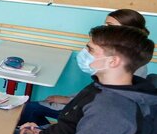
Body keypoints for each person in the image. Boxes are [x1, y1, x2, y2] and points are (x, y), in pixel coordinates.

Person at [0, 25, 157, 134]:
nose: (84, 53)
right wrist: (40, 132)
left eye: (90, 49)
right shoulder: (103, 86)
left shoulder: (111, 109)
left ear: (113, 61)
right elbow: (72, 128)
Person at [20, 8, 151, 125]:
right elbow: (95, 90)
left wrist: (70, 101)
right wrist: (69, 99)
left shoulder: (127, 68)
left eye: (110, 26)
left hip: (84, 111)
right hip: (81, 106)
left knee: (29, 108)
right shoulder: (116, 62)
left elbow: (102, 100)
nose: (104, 28)